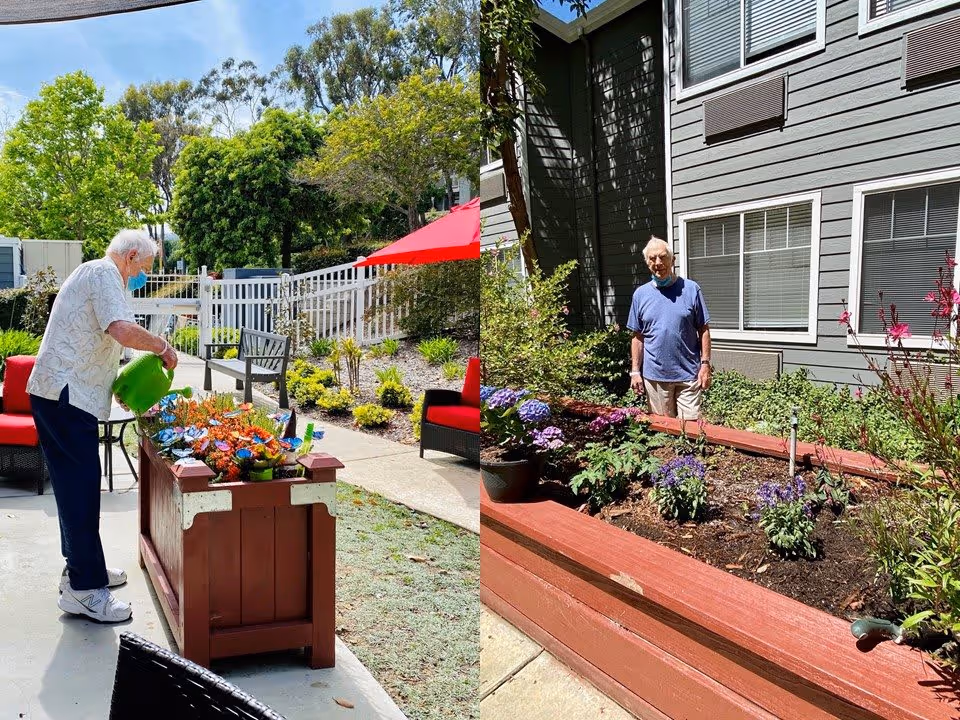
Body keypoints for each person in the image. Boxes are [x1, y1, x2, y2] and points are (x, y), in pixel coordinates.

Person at [27, 229, 178, 623]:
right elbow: (120, 328)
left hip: (64, 394)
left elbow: (99, 343)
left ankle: (81, 569)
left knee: (74, 489)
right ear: (130, 256)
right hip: (64, 396)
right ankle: (85, 589)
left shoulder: (96, 275)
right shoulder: (104, 274)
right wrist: (163, 347)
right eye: (143, 268)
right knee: (80, 490)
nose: (141, 275)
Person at [626, 236, 712, 420]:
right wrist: (635, 371)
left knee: (690, 429)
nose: (658, 263)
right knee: (663, 431)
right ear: (647, 262)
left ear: (672, 260)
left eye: (663, 257)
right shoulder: (640, 295)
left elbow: (703, 329)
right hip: (655, 377)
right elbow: (637, 337)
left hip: (688, 374)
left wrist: (705, 364)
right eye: (652, 258)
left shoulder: (691, 289)